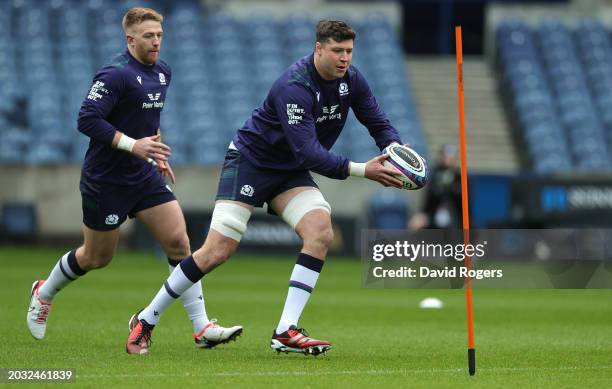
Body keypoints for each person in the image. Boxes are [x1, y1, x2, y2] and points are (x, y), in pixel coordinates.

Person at [126, 19, 406, 355]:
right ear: (318, 49)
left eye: (348, 51)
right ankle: (146, 319)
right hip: (251, 163)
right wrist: (365, 170)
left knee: (321, 232)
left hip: (288, 172)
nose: (344, 58)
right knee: (217, 252)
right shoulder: (295, 86)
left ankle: (286, 331)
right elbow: (309, 152)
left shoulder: (352, 80)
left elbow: (378, 121)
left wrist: (395, 151)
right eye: (337, 51)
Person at [26, 7, 242, 350]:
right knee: (97, 257)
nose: (156, 41)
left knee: (179, 242)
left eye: (159, 35)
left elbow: (148, 117)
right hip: (106, 180)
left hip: (142, 175)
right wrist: (133, 145)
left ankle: (201, 327)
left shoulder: (163, 72)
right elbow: (86, 119)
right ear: (130, 39)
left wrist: (154, 152)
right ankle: (44, 291)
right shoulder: (115, 75)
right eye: (148, 36)